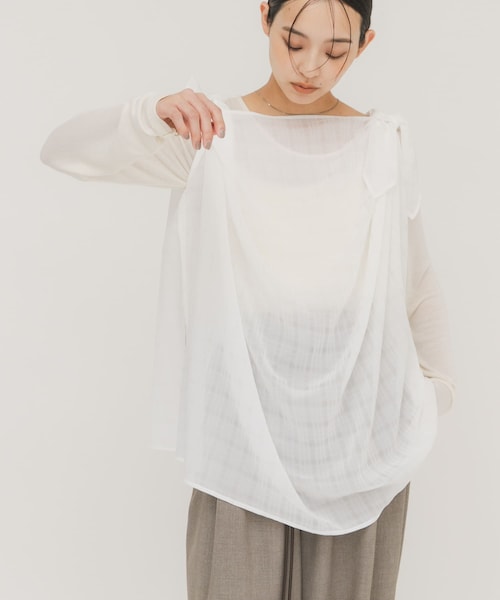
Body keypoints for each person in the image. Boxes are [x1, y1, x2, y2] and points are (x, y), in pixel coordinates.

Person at [41, 1, 456, 598]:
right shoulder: (214, 135)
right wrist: (151, 114)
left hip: (361, 446)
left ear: (364, 45)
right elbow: (62, 151)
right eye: (294, 40)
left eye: (335, 51)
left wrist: (433, 393)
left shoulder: (381, 142)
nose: (310, 66)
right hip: (242, 439)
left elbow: (417, 283)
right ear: (265, 17)